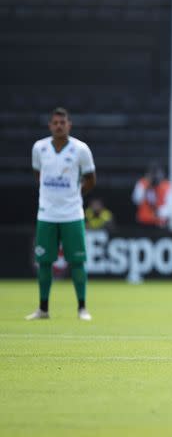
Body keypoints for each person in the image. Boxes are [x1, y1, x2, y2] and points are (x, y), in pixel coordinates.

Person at [26, 107, 96, 321]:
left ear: (69, 125)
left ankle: (82, 308)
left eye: (62, 122)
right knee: (45, 262)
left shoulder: (80, 149)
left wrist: (74, 194)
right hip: (46, 214)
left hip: (72, 214)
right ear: (50, 125)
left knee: (77, 262)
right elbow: (38, 174)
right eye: (55, 123)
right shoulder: (39, 148)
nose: (58, 126)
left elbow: (91, 178)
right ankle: (43, 309)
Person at [132, 163, 172, 228]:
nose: (155, 176)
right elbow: (136, 200)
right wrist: (147, 187)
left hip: (160, 223)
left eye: (157, 174)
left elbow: (171, 207)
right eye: (152, 174)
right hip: (144, 222)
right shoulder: (142, 183)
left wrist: (159, 212)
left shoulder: (166, 186)